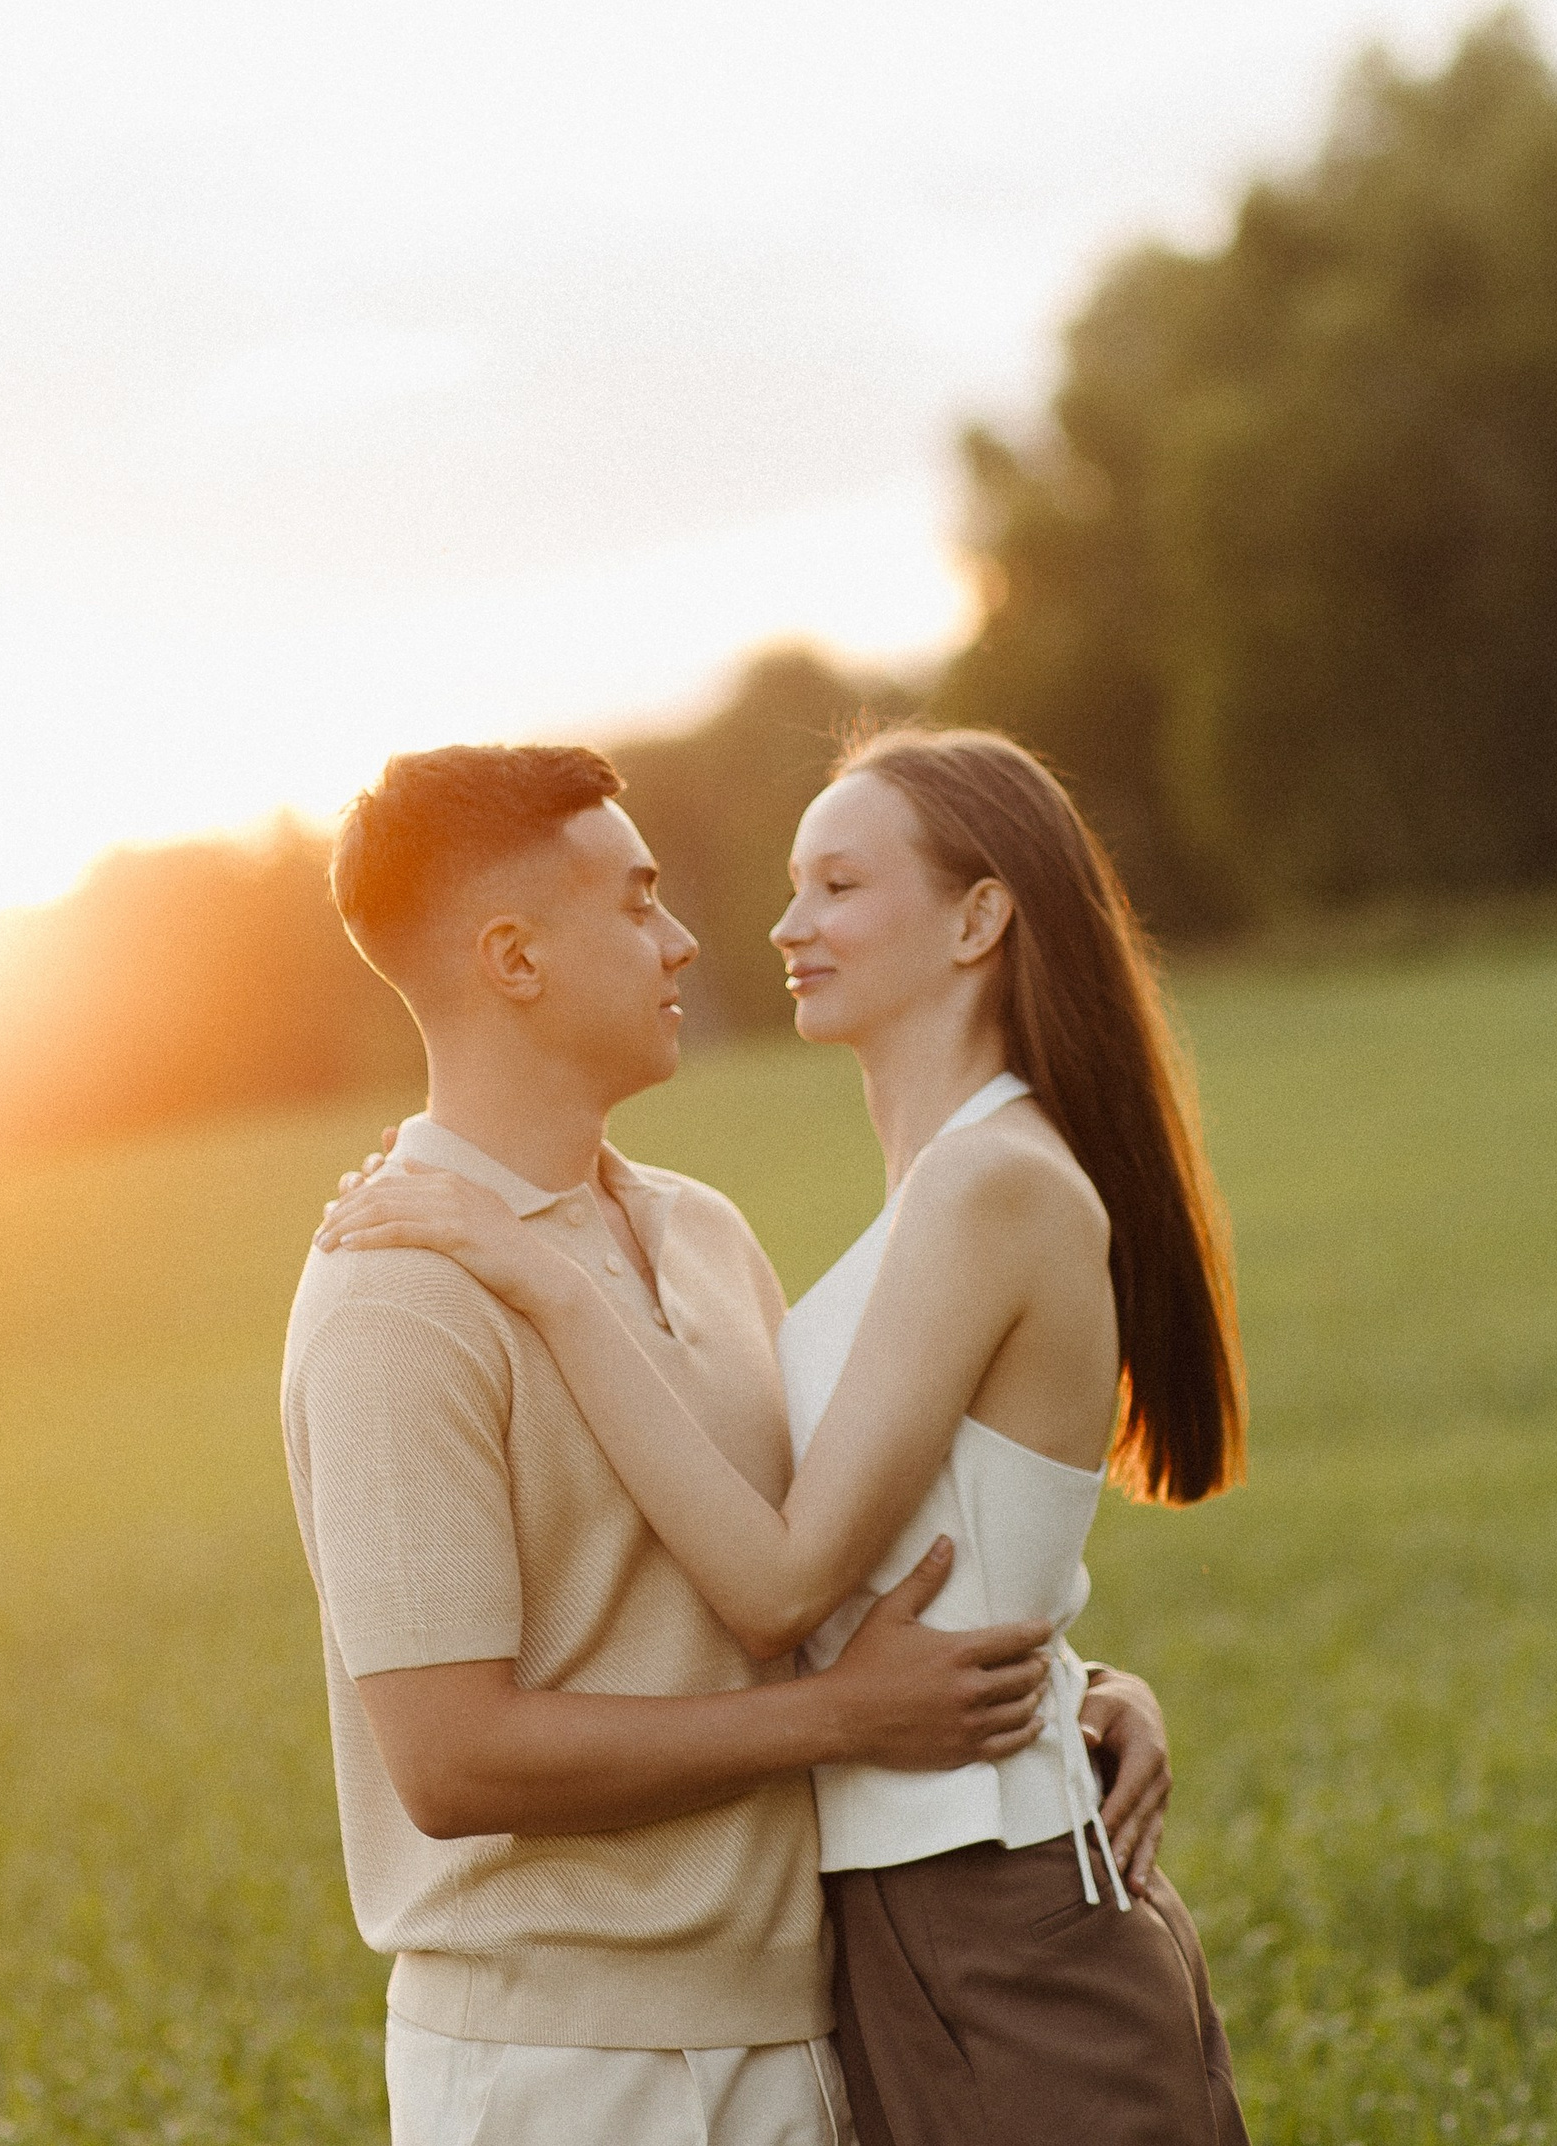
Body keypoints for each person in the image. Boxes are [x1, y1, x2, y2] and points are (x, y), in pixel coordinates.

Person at [321, 724, 1250, 2146]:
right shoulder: (397, 1290)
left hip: (820, 2011)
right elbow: (451, 1763)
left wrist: (1071, 1683)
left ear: (978, 922)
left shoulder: (705, 1235)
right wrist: (853, 1715)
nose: (703, 938)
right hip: (570, 2066)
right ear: (513, 959)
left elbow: (838, 1562)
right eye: (639, 902)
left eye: (839, 884)